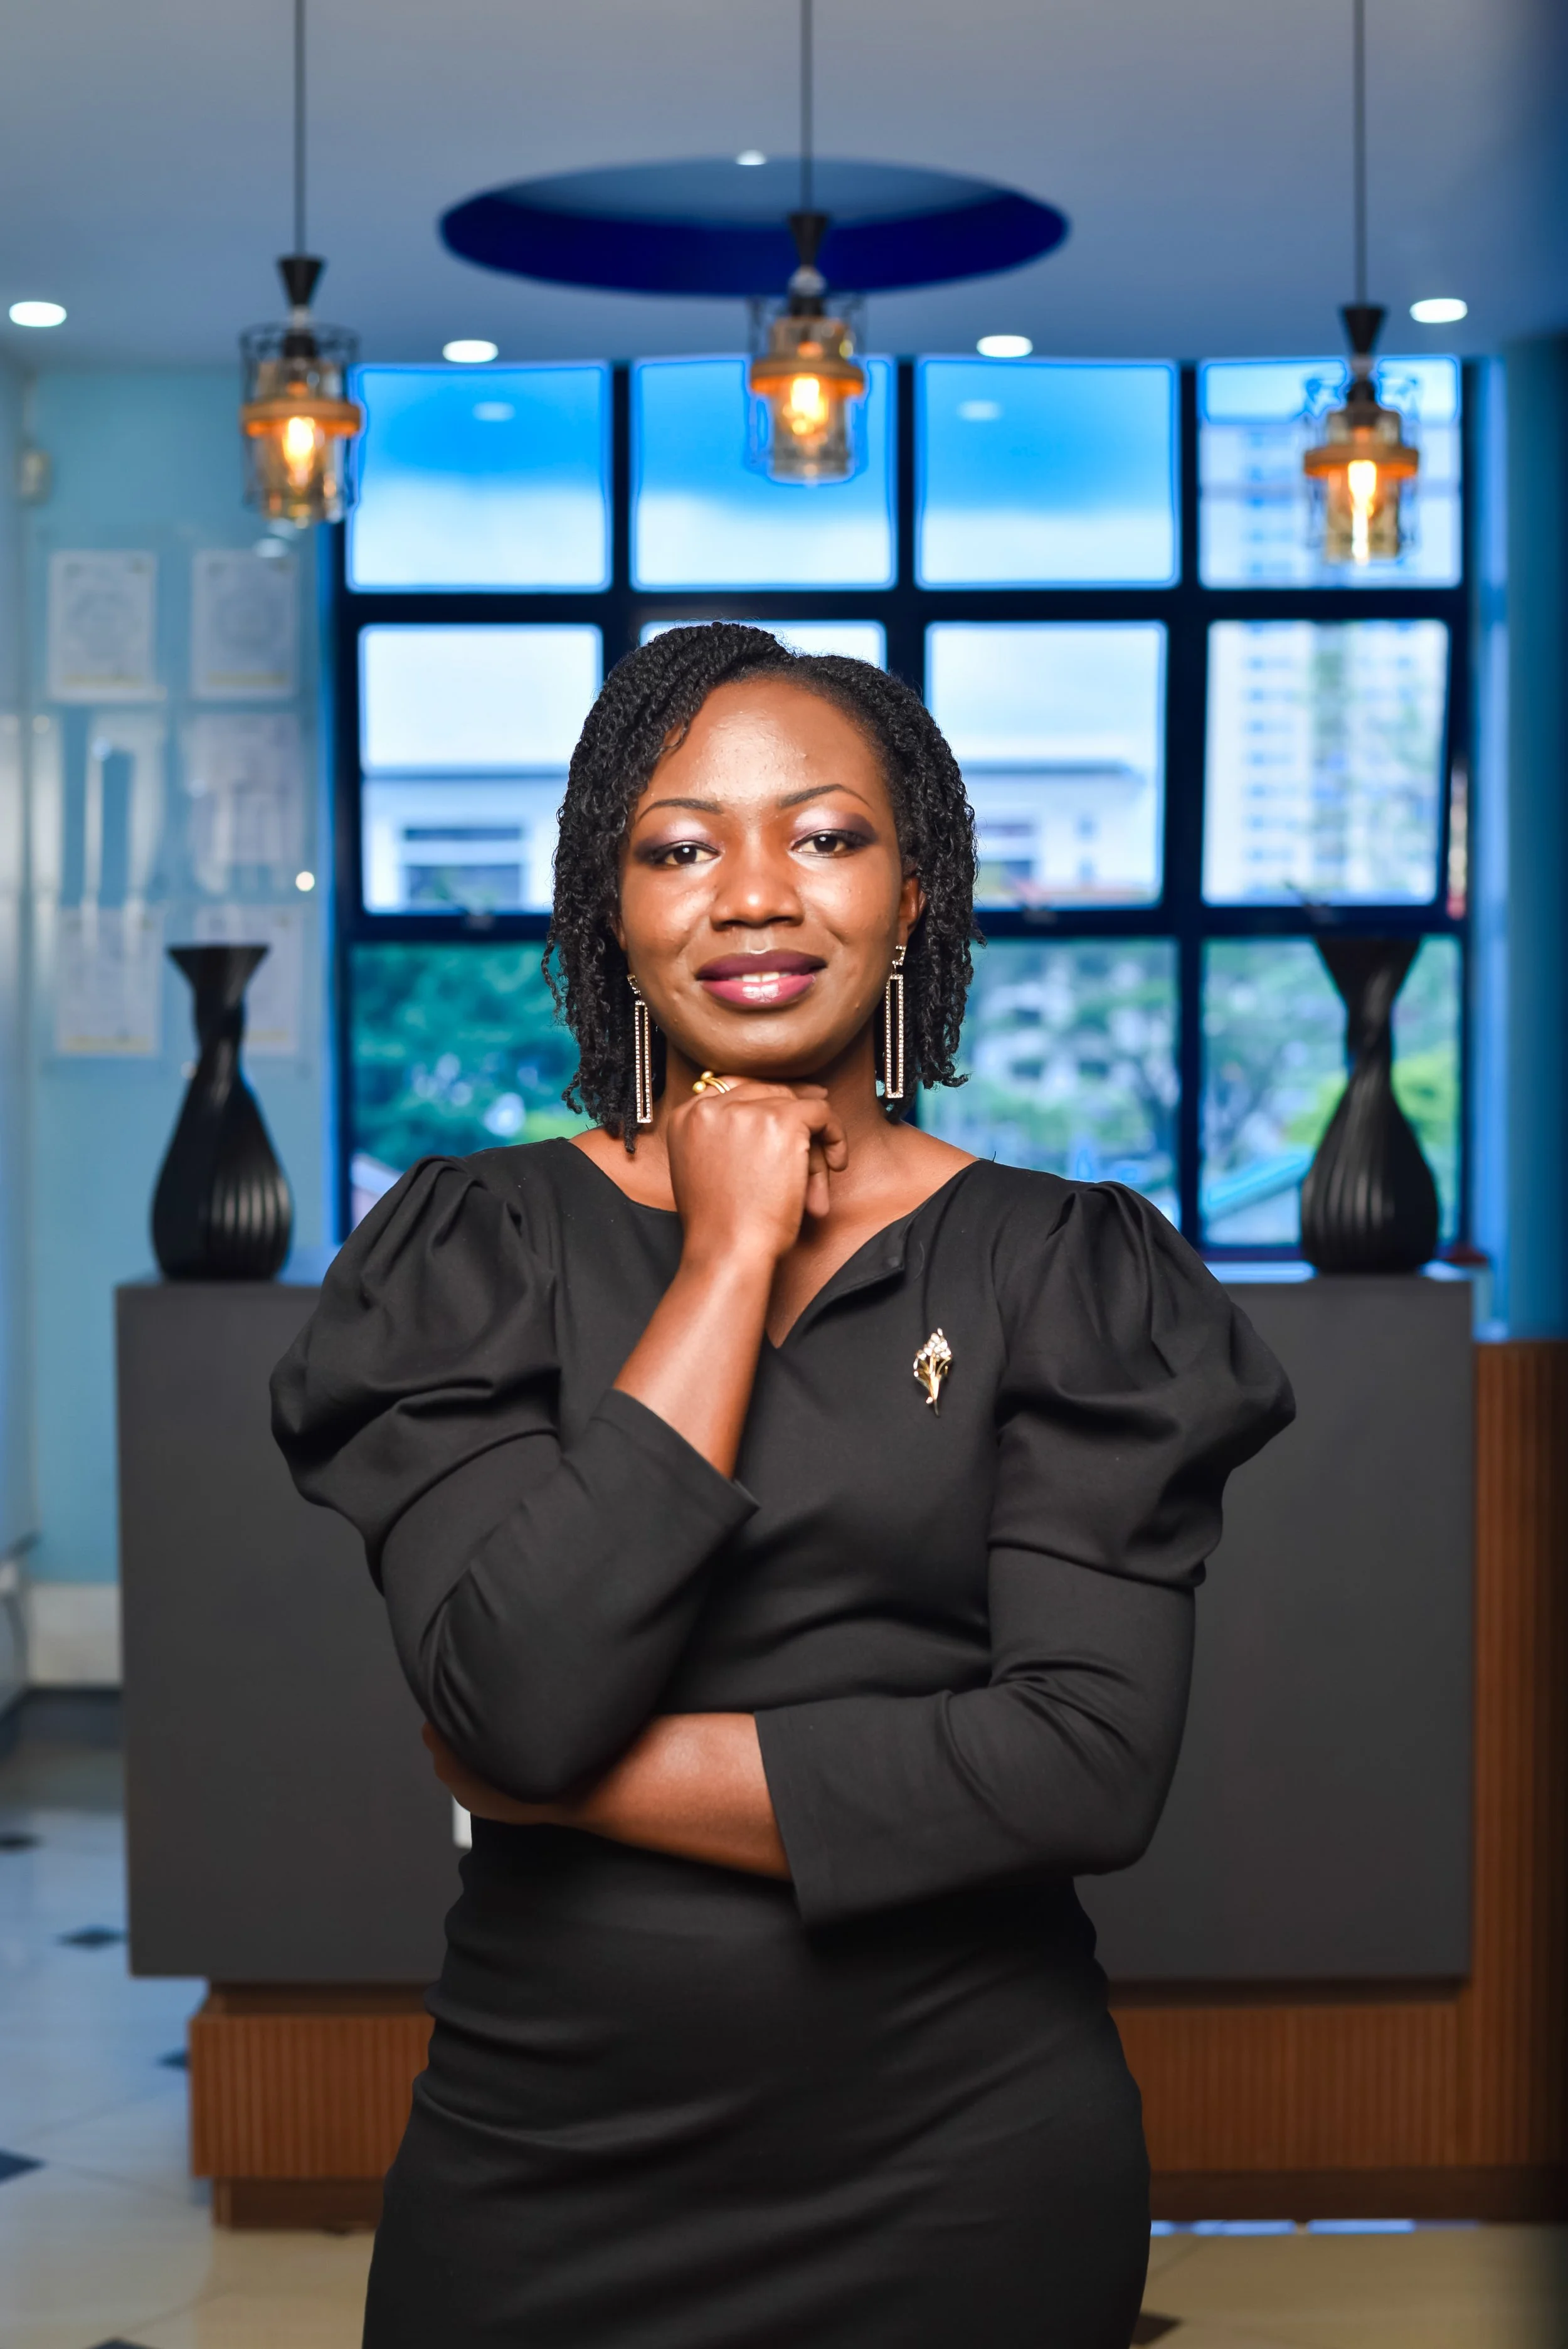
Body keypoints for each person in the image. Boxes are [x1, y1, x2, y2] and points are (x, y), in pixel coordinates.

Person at [272, 624, 1294, 2349]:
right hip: (543, 2169)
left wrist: (582, 1782)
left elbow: (1084, 1767)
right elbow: (521, 1691)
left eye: (825, 836)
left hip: (961, 2175)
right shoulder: (474, 1250)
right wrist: (727, 1257)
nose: (754, 895)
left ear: (913, 895)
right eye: (680, 848)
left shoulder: (1067, 1268)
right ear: (610, 912)